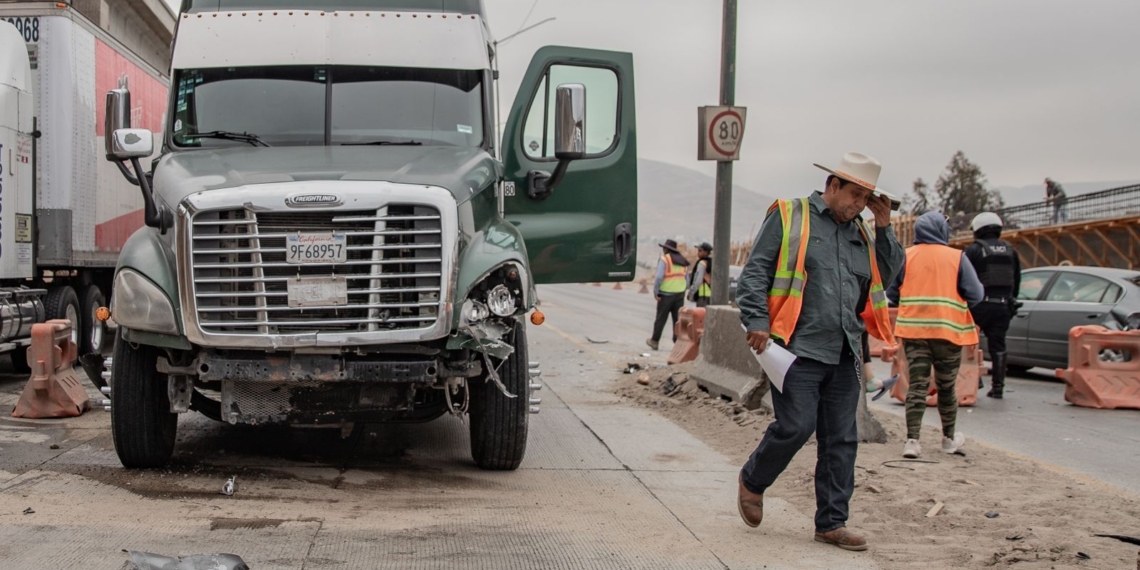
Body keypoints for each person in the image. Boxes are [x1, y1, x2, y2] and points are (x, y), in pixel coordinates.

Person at [735, 152, 903, 552]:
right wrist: (756, 320)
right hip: (796, 348)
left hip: (846, 350)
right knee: (795, 426)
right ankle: (753, 481)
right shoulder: (791, 215)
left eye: (866, 197)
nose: (859, 204)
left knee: (842, 439)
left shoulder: (862, 231)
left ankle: (831, 522)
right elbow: (756, 269)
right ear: (832, 186)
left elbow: (889, 274)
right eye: (855, 194)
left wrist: (884, 226)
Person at [886, 211, 983, 459]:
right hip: (948, 333)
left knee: (916, 386)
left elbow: (892, 293)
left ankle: (912, 441)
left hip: (914, 332)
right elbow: (976, 294)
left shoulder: (905, 257)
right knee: (946, 387)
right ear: (942, 230)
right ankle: (949, 439)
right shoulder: (956, 258)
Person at [964, 212, 1021, 399]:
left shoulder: (973, 250)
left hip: (978, 306)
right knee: (998, 346)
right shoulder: (1011, 250)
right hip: (1003, 307)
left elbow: (964, 279)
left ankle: (974, 380)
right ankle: (998, 387)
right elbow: (1016, 281)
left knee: (969, 344)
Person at [646, 239, 689, 351]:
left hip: (665, 295)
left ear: (666, 249)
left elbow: (659, 277)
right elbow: (687, 279)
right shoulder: (683, 261)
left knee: (661, 319)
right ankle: (678, 343)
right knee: (677, 320)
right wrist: (683, 288)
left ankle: (654, 341)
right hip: (679, 294)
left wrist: (656, 291)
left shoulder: (665, 259)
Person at [687, 242, 713, 307]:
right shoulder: (713, 262)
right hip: (712, 294)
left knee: (701, 316)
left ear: (706, 252)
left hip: (703, 295)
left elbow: (697, 281)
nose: (698, 252)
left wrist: (691, 293)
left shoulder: (702, 263)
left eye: (700, 250)